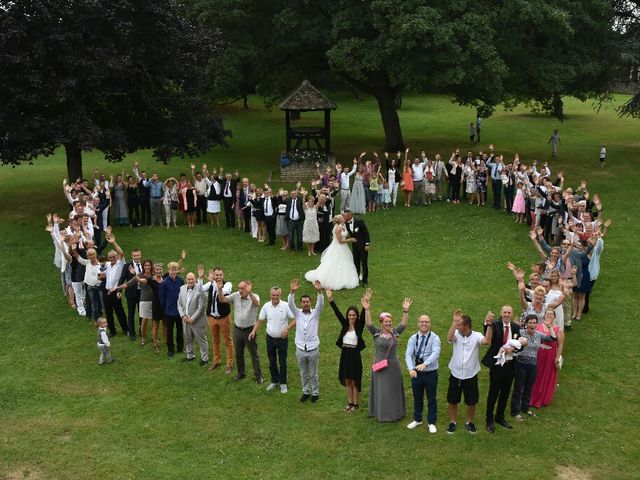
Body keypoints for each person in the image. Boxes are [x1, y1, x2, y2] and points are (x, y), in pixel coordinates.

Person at [362, 291, 411, 422]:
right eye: (386, 321)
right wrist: (367, 310)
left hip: (393, 364)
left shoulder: (395, 332)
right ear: (382, 323)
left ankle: (395, 413)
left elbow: (404, 324)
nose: (389, 323)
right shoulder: (376, 332)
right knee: (382, 389)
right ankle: (381, 412)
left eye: (390, 321)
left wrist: (405, 311)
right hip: (380, 364)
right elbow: (368, 324)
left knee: (393, 389)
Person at [446, 309, 491, 434]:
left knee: (472, 401)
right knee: (453, 400)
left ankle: (469, 422)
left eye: (459, 324)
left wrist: (490, 326)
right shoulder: (456, 333)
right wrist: (455, 321)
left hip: (471, 375)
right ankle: (453, 422)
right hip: (455, 373)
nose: (457, 326)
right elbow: (449, 337)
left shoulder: (476, 336)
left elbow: (486, 341)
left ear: (466, 326)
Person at [481, 306, 524, 433]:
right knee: (494, 391)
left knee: (505, 391)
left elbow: (520, 345)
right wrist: (487, 324)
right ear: (501, 313)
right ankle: (489, 420)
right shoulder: (495, 325)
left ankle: (500, 417)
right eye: (504, 312)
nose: (506, 314)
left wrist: (513, 349)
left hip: (510, 364)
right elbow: (488, 336)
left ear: (511, 314)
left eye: (509, 312)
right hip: (497, 364)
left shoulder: (515, 327)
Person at [510, 314, 557, 420]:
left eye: (534, 322)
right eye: (530, 322)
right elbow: (511, 339)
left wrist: (549, 327)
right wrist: (516, 325)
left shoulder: (539, 335)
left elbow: (553, 338)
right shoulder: (521, 332)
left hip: (533, 365)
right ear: (526, 324)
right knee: (518, 388)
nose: (532, 325)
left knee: (529, 387)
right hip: (520, 364)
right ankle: (515, 411)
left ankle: (525, 408)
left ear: (537, 324)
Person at [327, 288, 365, 412]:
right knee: (347, 380)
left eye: (354, 315)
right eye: (349, 315)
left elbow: (364, 318)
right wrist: (330, 298)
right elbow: (337, 312)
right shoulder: (345, 325)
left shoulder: (359, 326)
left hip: (354, 355)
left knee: (354, 381)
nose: (351, 317)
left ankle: (355, 404)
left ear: (357, 316)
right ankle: (350, 402)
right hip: (345, 354)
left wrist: (365, 307)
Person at [218, 279, 263, 383]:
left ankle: (258, 375)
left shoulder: (254, 296)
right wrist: (220, 290)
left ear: (248, 288)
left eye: (242, 288)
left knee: (254, 354)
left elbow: (257, 304)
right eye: (239, 288)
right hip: (237, 329)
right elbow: (222, 300)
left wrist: (250, 293)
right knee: (238, 353)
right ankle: (241, 373)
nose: (240, 290)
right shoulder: (236, 295)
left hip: (249, 330)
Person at [288, 278, 324, 403]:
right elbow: (290, 304)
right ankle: (305, 391)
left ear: (310, 302)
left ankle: (315, 393)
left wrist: (319, 292)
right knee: (303, 373)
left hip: (313, 348)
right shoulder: (297, 314)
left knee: (313, 373)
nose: (305, 304)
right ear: (301, 303)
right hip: (300, 349)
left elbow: (321, 304)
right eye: (303, 302)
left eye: (307, 302)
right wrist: (292, 292)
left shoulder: (316, 314)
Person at [405, 314, 441, 433]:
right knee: (417, 397)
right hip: (416, 373)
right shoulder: (413, 338)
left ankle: (431, 422)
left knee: (431, 398)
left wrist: (425, 364)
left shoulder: (434, 338)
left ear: (429, 324)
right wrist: (411, 369)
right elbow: (408, 355)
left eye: (426, 322)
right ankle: (417, 419)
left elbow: (435, 353)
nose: (424, 324)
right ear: (418, 323)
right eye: (422, 322)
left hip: (430, 373)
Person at [304, 215, 359, 290]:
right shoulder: (338, 228)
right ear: (339, 220)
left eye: (343, 218)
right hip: (338, 247)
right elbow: (340, 241)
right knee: (335, 262)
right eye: (342, 218)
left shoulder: (344, 225)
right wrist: (350, 240)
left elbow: (345, 235)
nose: (343, 218)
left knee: (346, 261)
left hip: (344, 247)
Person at [258, 286, 296, 393]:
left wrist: (287, 329)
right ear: (270, 295)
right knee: (271, 361)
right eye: (273, 295)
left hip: (282, 339)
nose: (275, 297)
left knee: (282, 361)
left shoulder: (285, 305)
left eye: (277, 295)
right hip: (270, 339)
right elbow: (260, 320)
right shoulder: (266, 306)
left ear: (280, 295)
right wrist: (253, 332)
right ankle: (274, 380)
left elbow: (294, 320)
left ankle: (283, 383)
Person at [199, 266, 234, 374]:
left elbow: (221, 291)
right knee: (215, 340)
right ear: (213, 275)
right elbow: (200, 290)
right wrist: (200, 278)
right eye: (216, 275)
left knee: (227, 340)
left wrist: (212, 282)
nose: (218, 277)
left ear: (223, 275)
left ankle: (229, 364)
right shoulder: (210, 284)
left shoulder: (228, 284)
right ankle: (216, 361)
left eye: (220, 275)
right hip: (212, 317)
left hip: (224, 317)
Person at [530, 309, 565, 409]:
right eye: (547, 313)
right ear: (544, 315)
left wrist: (557, 358)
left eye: (551, 314)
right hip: (538, 354)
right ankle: (532, 397)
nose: (549, 315)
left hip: (550, 356)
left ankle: (542, 398)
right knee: (536, 375)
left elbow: (561, 345)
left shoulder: (558, 330)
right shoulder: (538, 326)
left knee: (546, 376)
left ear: (554, 316)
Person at [177, 272, 209, 366]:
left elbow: (202, 307)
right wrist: (183, 316)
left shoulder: (200, 289)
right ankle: (190, 356)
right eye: (188, 279)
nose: (190, 281)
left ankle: (205, 359)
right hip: (185, 320)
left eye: (192, 279)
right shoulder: (182, 288)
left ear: (195, 279)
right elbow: (179, 304)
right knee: (188, 339)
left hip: (198, 321)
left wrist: (192, 319)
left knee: (201, 340)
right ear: (186, 280)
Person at [158, 261, 184, 358]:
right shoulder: (164, 283)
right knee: (169, 331)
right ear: (168, 270)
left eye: (175, 270)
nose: (173, 272)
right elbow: (162, 299)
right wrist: (166, 309)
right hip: (169, 311)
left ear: (177, 271)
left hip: (180, 311)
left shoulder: (181, 281)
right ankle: (170, 349)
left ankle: (180, 347)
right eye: (171, 270)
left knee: (180, 329)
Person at [343, 210, 370, 287]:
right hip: (354, 246)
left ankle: (365, 280)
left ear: (350, 215)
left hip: (362, 245)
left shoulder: (359, 222)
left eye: (345, 216)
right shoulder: (346, 224)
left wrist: (367, 244)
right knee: (356, 262)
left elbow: (366, 232)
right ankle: (357, 278)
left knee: (364, 263)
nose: (344, 217)